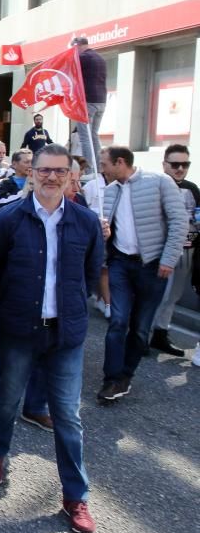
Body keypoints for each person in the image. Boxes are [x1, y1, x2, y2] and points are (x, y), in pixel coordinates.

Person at [0, 144, 105, 533]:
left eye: (59, 171)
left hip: (66, 333)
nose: (51, 177)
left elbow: (88, 274)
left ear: (71, 176)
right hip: (20, 329)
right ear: (31, 173)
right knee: (6, 402)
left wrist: (68, 308)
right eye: (44, 170)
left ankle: (75, 495)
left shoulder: (85, 222)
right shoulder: (9, 219)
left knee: (68, 416)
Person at [98, 146, 187, 402]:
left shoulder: (159, 182)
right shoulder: (110, 190)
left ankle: (126, 374)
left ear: (120, 162)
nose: (102, 168)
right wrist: (104, 234)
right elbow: (108, 230)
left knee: (140, 327)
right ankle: (111, 378)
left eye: (105, 163)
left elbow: (179, 221)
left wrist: (168, 258)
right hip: (120, 264)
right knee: (117, 321)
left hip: (153, 266)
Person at [149, 145, 200, 357]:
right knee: (156, 296)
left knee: (173, 297)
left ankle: (160, 334)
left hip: (188, 250)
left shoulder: (192, 188)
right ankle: (142, 335)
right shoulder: (155, 186)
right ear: (164, 164)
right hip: (162, 251)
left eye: (185, 164)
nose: (180, 168)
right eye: (175, 164)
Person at [72, 37, 107, 173]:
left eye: (73, 48)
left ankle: (88, 170)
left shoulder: (84, 58)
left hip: (88, 101)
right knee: (94, 135)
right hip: (101, 101)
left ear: (77, 45)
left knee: (84, 137)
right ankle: (99, 168)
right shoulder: (100, 58)